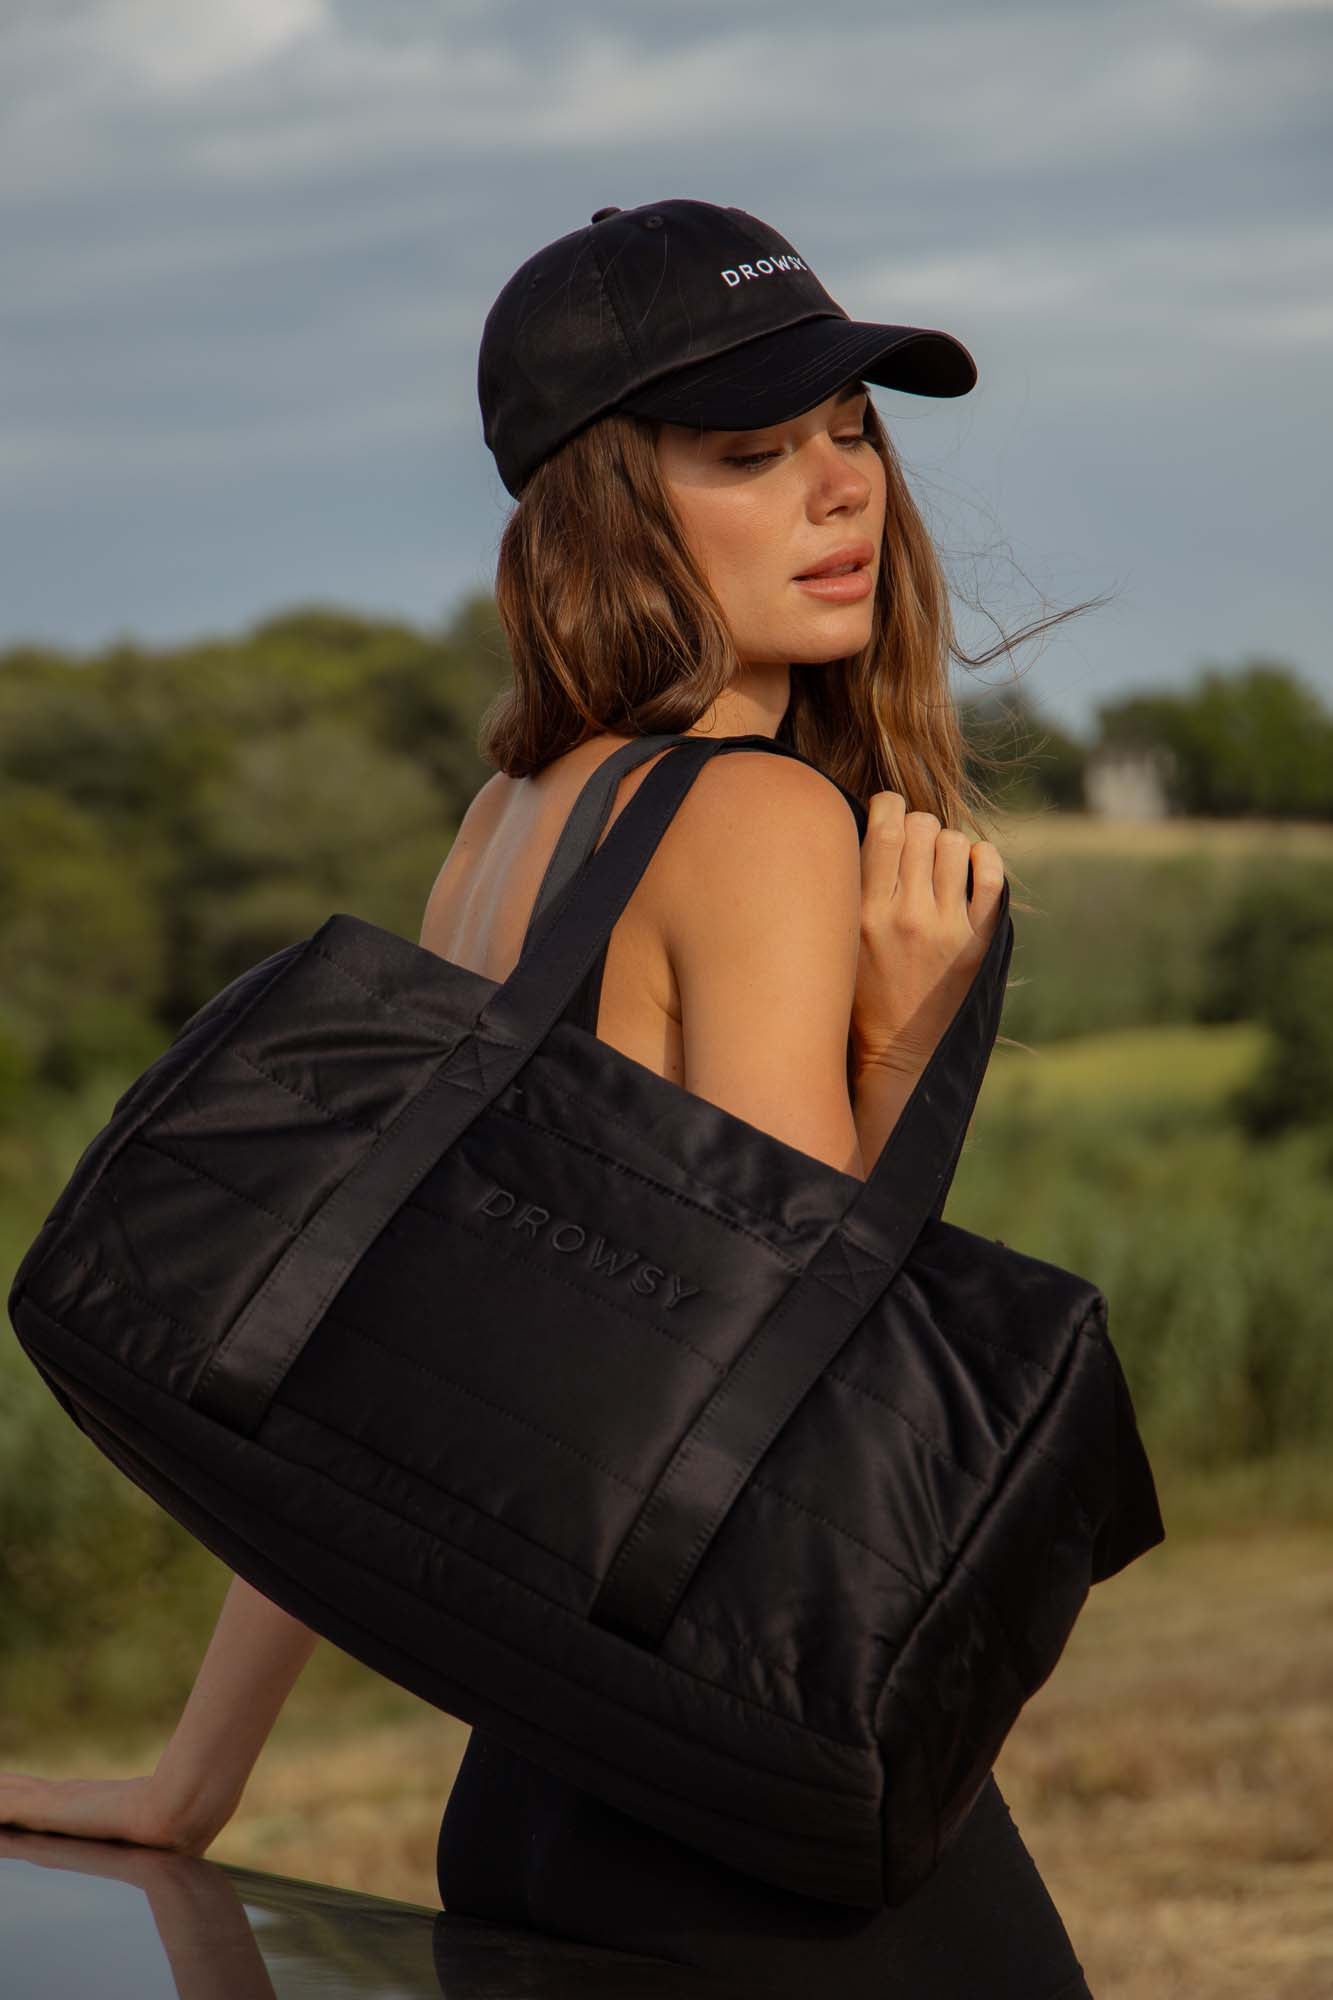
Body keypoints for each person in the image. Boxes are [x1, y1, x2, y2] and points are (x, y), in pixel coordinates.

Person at [0, 200, 1095, 1997]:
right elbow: (791, 1411)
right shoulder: (760, 818)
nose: (844, 495)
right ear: (606, 505)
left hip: (529, 1786)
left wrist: (195, 1783)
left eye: (851, 433)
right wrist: (900, 1045)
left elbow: (352, 1355)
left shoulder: (509, 820)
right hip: (753, 1832)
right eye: (754, 451)